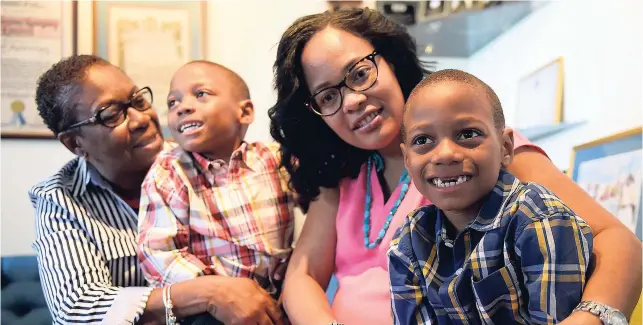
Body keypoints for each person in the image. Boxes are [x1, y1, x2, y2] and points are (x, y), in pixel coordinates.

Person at [268, 7, 641, 325]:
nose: (351, 100)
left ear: (392, 61)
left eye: (360, 74)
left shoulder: (481, 152)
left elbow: (618, 242)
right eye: (328, 96)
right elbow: (301, 277)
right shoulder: (342, 177)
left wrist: (591, 317)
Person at [29, 55, 286, 325]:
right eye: (111, 114)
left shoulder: (200, 160)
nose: (142, 118)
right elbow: (77, 310)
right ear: (74, 143)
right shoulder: (59, 200)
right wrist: (209, 292)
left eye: (138, 101)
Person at [388, 69, 593, 324]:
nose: (444, 154)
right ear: (407, 160)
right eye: (423, 139)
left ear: (506, 147)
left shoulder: (540, 220)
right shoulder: (409, 240)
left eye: (467, 134)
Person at [137, 61, 295, 324]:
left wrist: (294, 258)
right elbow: (160, 254)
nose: (182, 107)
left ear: (244, 112)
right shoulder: (169, 172)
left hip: (278, 295)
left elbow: (313, 213)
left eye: (201, 94)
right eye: (173, 102)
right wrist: (214, 287)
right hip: (210, 308)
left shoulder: (274, 159)